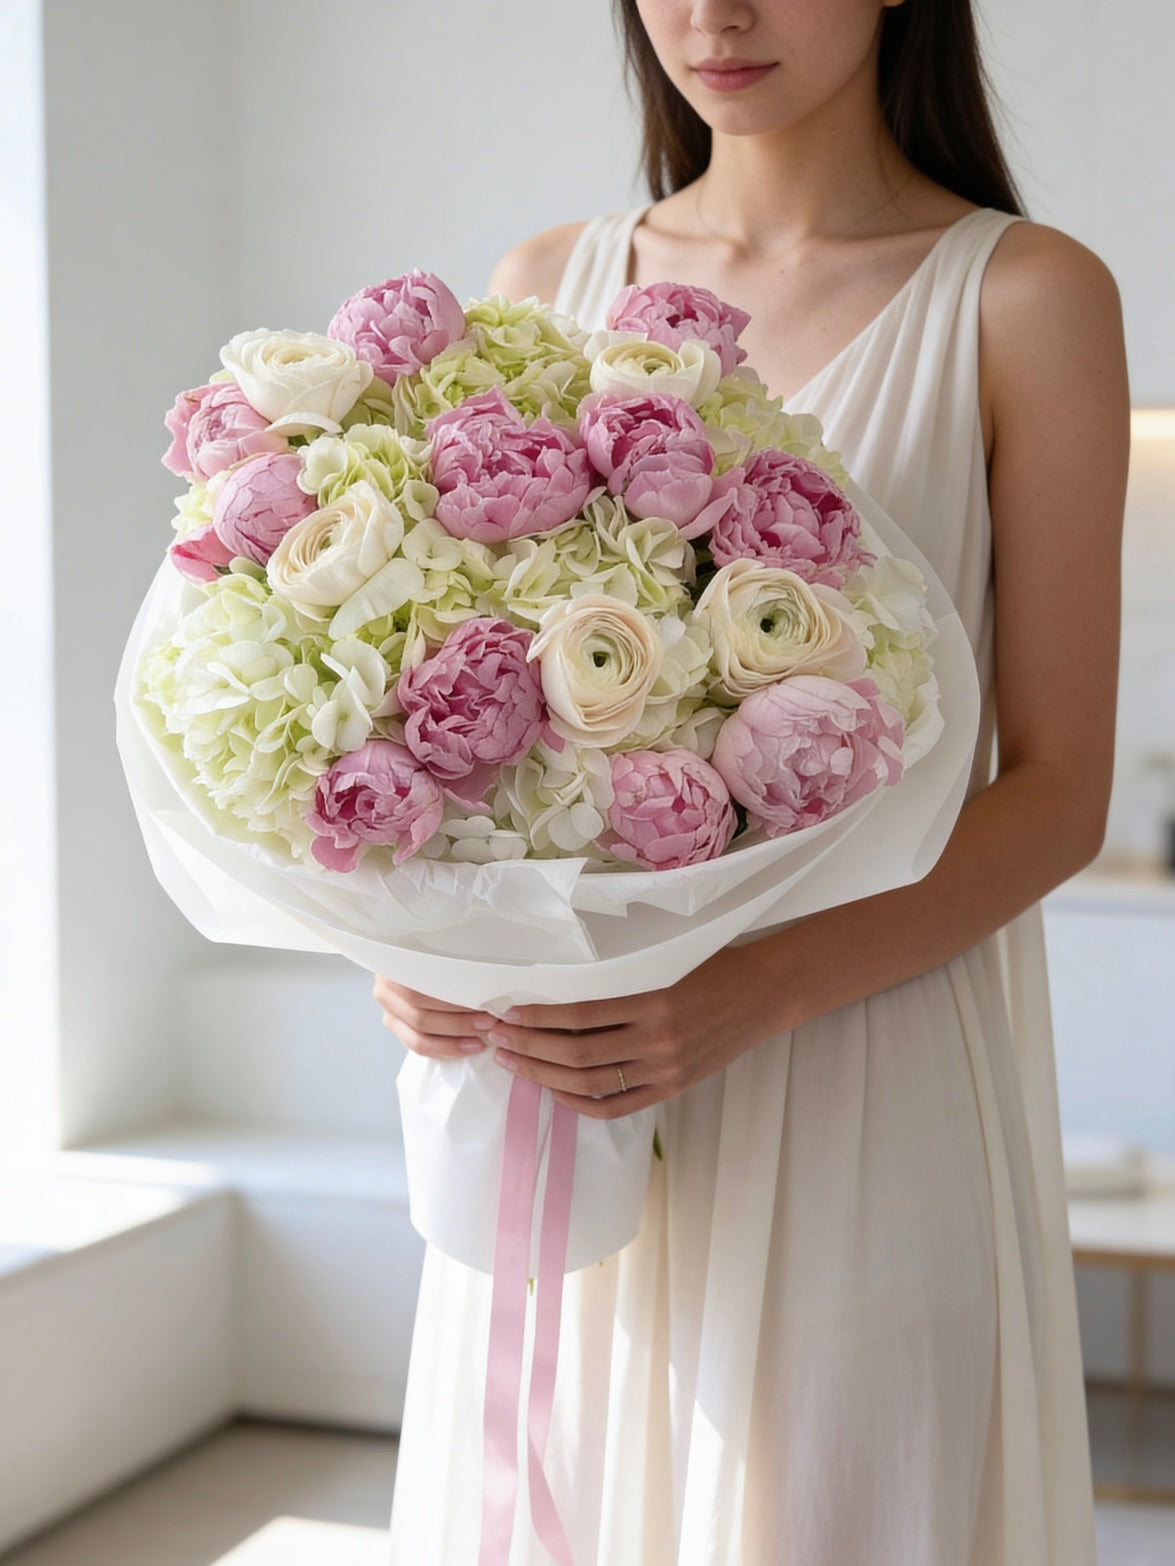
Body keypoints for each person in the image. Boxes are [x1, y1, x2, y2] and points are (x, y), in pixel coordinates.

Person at [377, 2, 1129, 1561]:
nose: (715, 12)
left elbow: (1059, 792)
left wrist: (749, 993)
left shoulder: (1027, 299)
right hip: (569, 1084)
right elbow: (466, 725)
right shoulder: (548, 285)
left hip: (862, 1067)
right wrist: (422, 954)